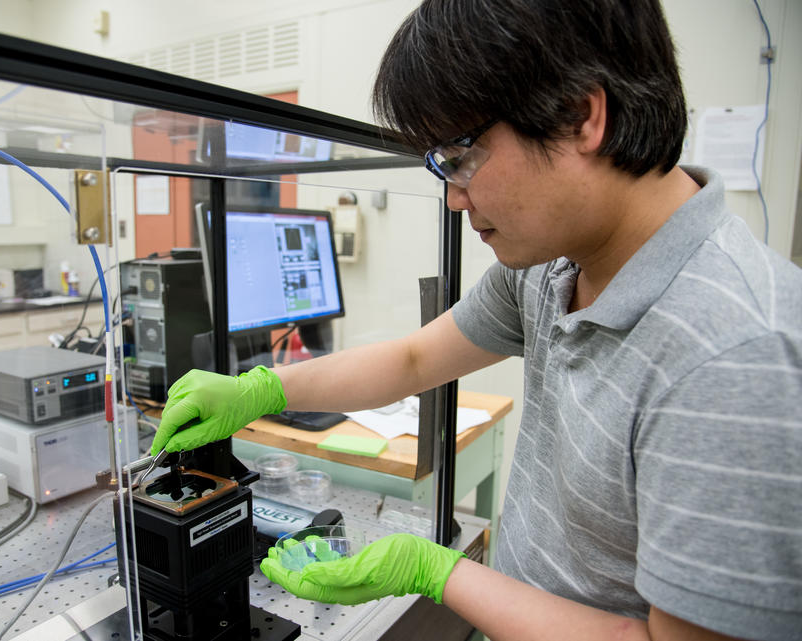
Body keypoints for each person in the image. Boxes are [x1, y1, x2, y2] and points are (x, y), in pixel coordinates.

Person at [151, 0, 802, 639]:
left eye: (460, 157)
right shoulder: (552, 267)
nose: (455, 198)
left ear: (580, 115)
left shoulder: (735, 357)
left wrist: (434, 569)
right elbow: (413, 359)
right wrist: (263, 389)